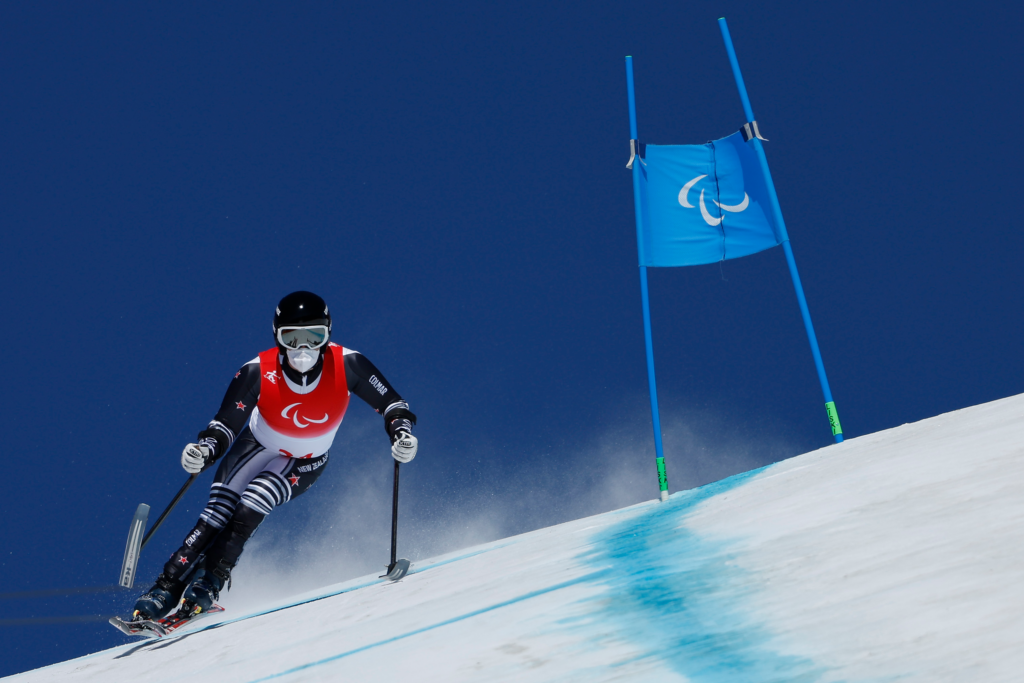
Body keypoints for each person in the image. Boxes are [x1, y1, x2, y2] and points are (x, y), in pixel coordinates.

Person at [131, 291, 417, 621]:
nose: (303, 348)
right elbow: (225, 424)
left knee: (253, 502)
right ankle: (164, 587)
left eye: (314, 337)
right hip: (255, 446)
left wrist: (402, 434)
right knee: (217, 512)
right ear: (277, 337)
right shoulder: (257, 370)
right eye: (292, 338)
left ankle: (208, 582)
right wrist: (204, 450)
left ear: (328, 333)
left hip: (305, 460)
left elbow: (394, 405)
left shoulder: (347, 363)